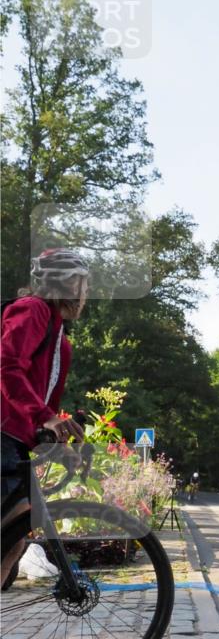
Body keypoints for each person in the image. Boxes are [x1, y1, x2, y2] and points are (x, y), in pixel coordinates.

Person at [1, 248, 89, 585]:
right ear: (67, 284)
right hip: (2, 434)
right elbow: (7, 366)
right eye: (82, 284)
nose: (85, 293)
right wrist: (44, 416)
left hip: (13, 438)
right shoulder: (33, 310)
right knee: (13, 527)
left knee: (15, 539)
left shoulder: (57, 332)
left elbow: (41, 396)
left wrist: (51, 433)